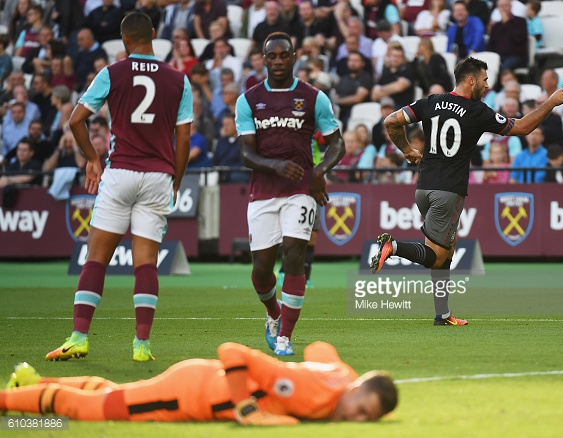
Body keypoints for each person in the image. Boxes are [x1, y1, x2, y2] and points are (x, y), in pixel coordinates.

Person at [370, 57, 563, 325]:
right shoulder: (477, 111)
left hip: (424, 188)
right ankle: (393, 246)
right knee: (435, 256)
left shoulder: (430, 102)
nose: (488, 86)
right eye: (486, 80)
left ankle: (442, 314)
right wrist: (550, 103)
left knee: (447, 250)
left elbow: (391, 121)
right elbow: (522, 127)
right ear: (472, 80)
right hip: (449, 191)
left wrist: (407, 150)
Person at [44, 12, 193, 363]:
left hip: (121, 170)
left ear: (125, 40)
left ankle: (79, 337)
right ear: (154, 35)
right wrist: (177, 179)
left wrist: (93, 158)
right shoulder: (178, 80)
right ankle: (142, 345)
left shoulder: (112, 73)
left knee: (96, 257)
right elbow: (183, 138)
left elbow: (76, 119)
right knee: (146, 264)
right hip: (158, 176)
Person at [236, 32, 345, 356]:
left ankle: (285, 336)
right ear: (264, 59)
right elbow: (245, 155)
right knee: (261, 269)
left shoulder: (314, 98)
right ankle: (273, 313)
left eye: (285, 55)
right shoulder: (249, 99)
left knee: (294, 255)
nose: (279, 61)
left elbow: (336, 143)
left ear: (294, 56)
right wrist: (275, 165)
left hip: (301, 191)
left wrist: (318, 171)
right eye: (273, 56)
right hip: (264, 192)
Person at [2, 341, 398, 425]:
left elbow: (319, 349)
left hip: (196, 381)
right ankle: (7, 402)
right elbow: (233, 352)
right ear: (356, 390)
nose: (357, 420)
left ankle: (32, 383)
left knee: (115, 394)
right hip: (188, 396)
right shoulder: (312, 392)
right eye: (361, 410)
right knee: (89, 411)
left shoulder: (341, 376)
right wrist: (246, 408)